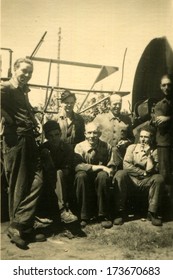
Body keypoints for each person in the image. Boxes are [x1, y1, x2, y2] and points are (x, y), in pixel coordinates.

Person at [1, 58, 46, 249]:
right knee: (19, 184)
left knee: (37, 180)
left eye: (30, 72)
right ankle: (19, 228)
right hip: (16, 140)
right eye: (24, 71)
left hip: (28, 139)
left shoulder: (21, 90)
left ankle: (20, 223)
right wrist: (6, 116)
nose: (27, 75)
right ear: (14, 69)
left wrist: (34, 117)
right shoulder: (7, 88)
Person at [113, 126, 164, 226]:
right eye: (141, 137)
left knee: (158, 178)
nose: (143, 139)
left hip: (146, 181)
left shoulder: (155, 151)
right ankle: (120, 212)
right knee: (120, 174)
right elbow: (126, 166)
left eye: (146, 137)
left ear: (151, 138)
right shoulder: (131, 147)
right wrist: (143, 173)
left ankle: (152, 213)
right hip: (132, 180)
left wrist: (149, 156)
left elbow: (152, 170)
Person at [74, 122, 116, 228]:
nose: (92, 136)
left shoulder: (106, 146)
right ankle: (83, 216)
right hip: (86, 176)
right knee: (80, 176)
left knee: (103, 176)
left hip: (100, 177)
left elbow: (111, 165)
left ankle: (103, 215)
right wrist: (101, 167)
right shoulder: (79, 147)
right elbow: (78, 166)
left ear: (100, 133)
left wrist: (109, 170)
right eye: (89, 133)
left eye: (95, 133)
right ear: (85, 134)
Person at [39, 120, 78, 224]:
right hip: (46, 179)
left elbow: (66, 170)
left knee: (59, 173)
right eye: (50, 135)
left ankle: (62, 210)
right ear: (46, 136)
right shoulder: (42, 148)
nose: (54, 138)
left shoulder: (67, 148)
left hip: (63, 179)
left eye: (56, 134)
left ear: (60, 134)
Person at [93, 94, 134, 170]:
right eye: (115, 104)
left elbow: (132, 138)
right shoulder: (99, 118)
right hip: (102, 157)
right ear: (109, 104)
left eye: (119, 104)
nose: (117, 106)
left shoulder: (127, 119)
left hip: (119, 157)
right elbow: (91, 135)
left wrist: (126, 142)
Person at [152, 74, 173, 199]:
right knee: (165, 176)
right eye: (164, 85)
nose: (167, 87)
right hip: (164, 144)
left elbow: (165, 121)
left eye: (169, 85)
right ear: (160, 87)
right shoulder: (159, 105)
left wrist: (168, 118)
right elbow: (161, 125)